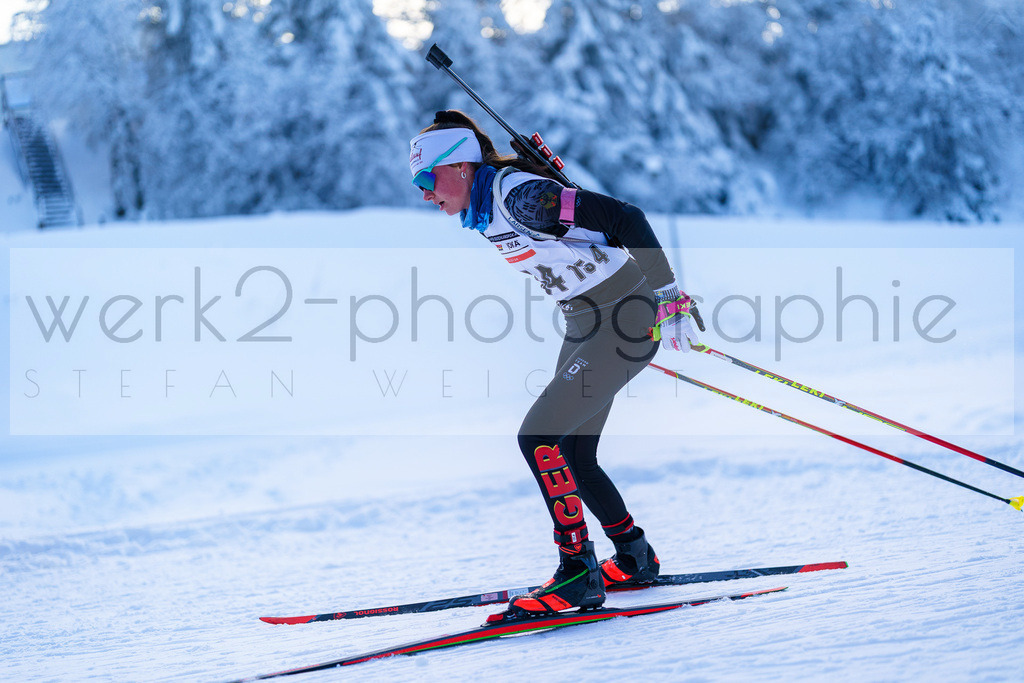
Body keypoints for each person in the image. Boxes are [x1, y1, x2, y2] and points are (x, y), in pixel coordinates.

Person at [409, 110, 702, 620]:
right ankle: (634, 557)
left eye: (426, 179)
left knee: (537, 437)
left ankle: (577, 574)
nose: (425, 194)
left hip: (625, 318)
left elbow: (625, 218)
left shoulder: (517, 196)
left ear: (458, 167)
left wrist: (668, 293)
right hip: (588, 321)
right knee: (571, 451)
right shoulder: (487, 202)